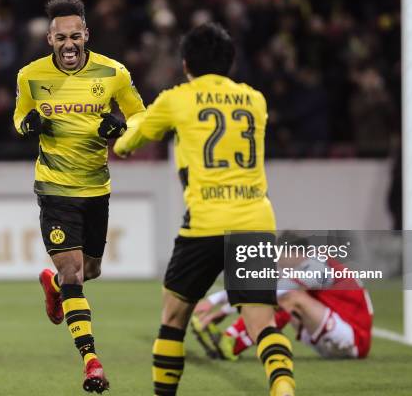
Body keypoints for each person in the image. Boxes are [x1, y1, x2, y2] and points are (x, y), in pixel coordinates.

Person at [114, 23, 295, 396]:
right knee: (261, 322)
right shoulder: (255, 100)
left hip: (205, 223)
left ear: (185, 64)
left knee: (174, 318)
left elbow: (130, 140)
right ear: (230, 63)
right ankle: (283, 388)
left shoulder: (177, 99)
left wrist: (124, 143)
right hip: (255, 221)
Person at [13, 0, 145, 393]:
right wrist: (29, 124)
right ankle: (92, 362)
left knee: (90, 271)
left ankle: (54, 288)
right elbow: (19, 117)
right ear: (49, 40)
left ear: (86, 34)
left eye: (75, 35)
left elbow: (140, 116)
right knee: (74, 272)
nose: (68, 44)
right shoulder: (29, 77)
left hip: (96, 189)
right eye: (60, 37)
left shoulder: (114, 73)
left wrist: (120, 128)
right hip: (54, 188)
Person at [191, 246, 373, 361]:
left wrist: (220, 312)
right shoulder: (309, 265)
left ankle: (231, 342)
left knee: (290, 298)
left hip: (354, 340)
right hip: (333, 335)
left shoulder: (318, 266)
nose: (279, 261)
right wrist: (214, 300)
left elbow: (275, 292)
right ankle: (229, 340)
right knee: (282, 298)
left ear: (298, 252)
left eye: (281, 254)